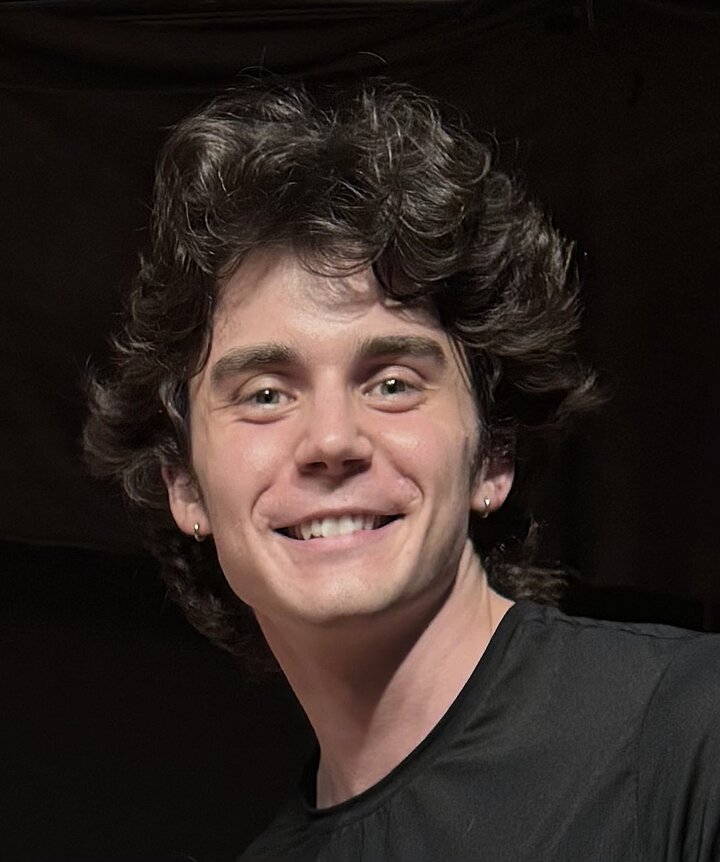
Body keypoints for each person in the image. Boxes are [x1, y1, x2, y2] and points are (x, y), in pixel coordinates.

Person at [84, 78, 720, 860]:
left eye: (391, 383)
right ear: (185, 486)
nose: (331, 439)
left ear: (492, 456)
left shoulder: (692, 733)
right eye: (265, 393)